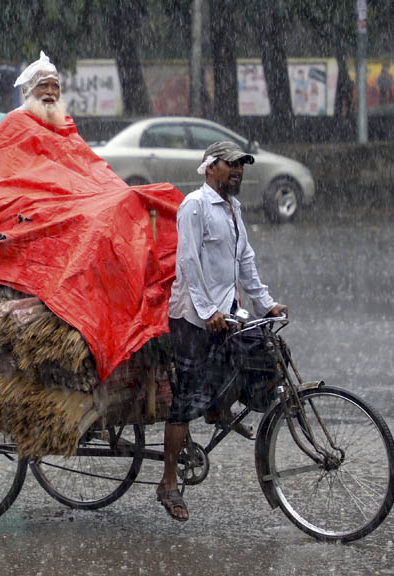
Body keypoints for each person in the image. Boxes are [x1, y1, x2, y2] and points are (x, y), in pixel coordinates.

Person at [158, 141, 288, 522]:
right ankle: (168, 483)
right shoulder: (194, 206)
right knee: (184, 399)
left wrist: (265, 303)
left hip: (227, 312)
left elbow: (244, 261)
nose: (238, 171)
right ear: (209, 167)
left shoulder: (233, 208)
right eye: (231, 164)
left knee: (266, 352)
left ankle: (219, 408)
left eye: (242, 165)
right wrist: (207, 309)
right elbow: (187, 261)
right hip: (193, 318)